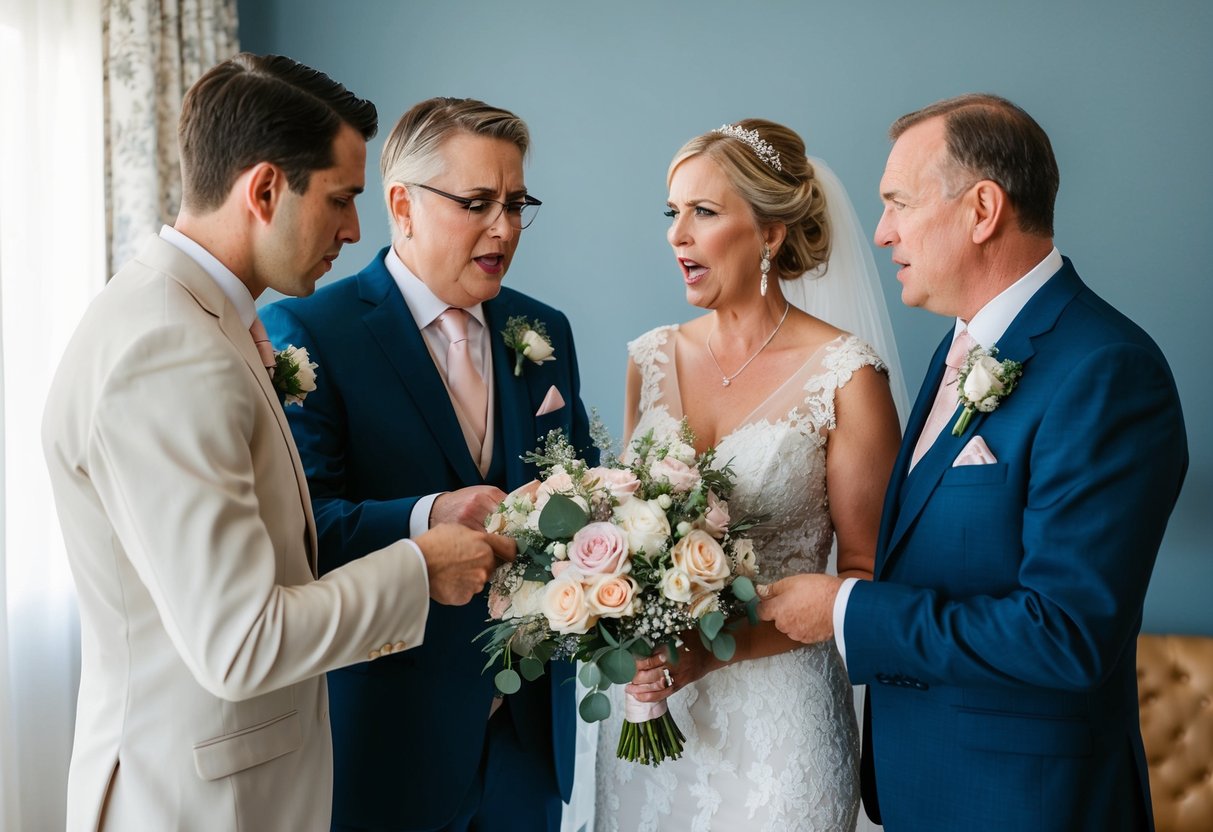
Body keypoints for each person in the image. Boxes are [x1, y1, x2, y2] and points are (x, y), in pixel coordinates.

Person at [41, 55, 512, 832]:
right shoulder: (167, 349)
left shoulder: (196, 318)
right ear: (263, 190)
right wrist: (419, 569)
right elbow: (240, 645)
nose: (355, 230)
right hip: (193, 802)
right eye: (341, 198)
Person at [758, 94, 1189, 831]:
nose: (881, 231)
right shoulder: (957, 347)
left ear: (982, 209)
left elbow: (1064, 634)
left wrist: (843, 607)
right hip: (926, 787)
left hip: (1027, 805)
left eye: (897, 202)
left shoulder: (1107, 370)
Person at [262, 97, 596, 832]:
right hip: (388, 736)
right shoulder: (309, 332)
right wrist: (429, 517)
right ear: (401, 204)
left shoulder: (542, 330)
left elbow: (580, 485)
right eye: (476, 203)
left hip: (526, 738)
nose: (503, 229)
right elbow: (302, 530)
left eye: (516, 203)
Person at [593, 120, 903, 831]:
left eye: (703, 212)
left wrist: (710, 652)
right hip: (651, 717)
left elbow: (864, 576)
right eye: (672, 213)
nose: (677, 235)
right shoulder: (651, 358)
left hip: (779, 724)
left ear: (768, 233)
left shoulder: (845, 376)